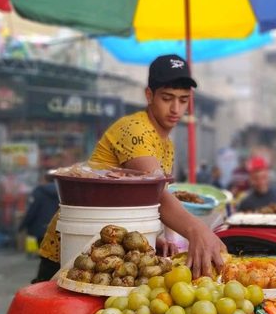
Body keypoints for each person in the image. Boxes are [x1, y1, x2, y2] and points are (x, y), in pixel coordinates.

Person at [37, 54, 225, 281]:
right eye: (167, 98)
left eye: (183, 100)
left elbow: (136, 200)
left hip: (112, 247)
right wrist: (197, 230)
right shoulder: (135, 129)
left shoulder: (166, 144)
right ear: (149, 95)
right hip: (77, 241)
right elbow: (156, 193)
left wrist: (149, 238)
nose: (176, 108)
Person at [20, 171, 59, 244]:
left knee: (36, 252)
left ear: (44, 179)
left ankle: (33, 255)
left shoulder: (38, 191)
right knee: (50, 253)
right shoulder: (61, 192)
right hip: (55, 230)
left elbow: (31, 211)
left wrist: (22, 226)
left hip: (37, 230)